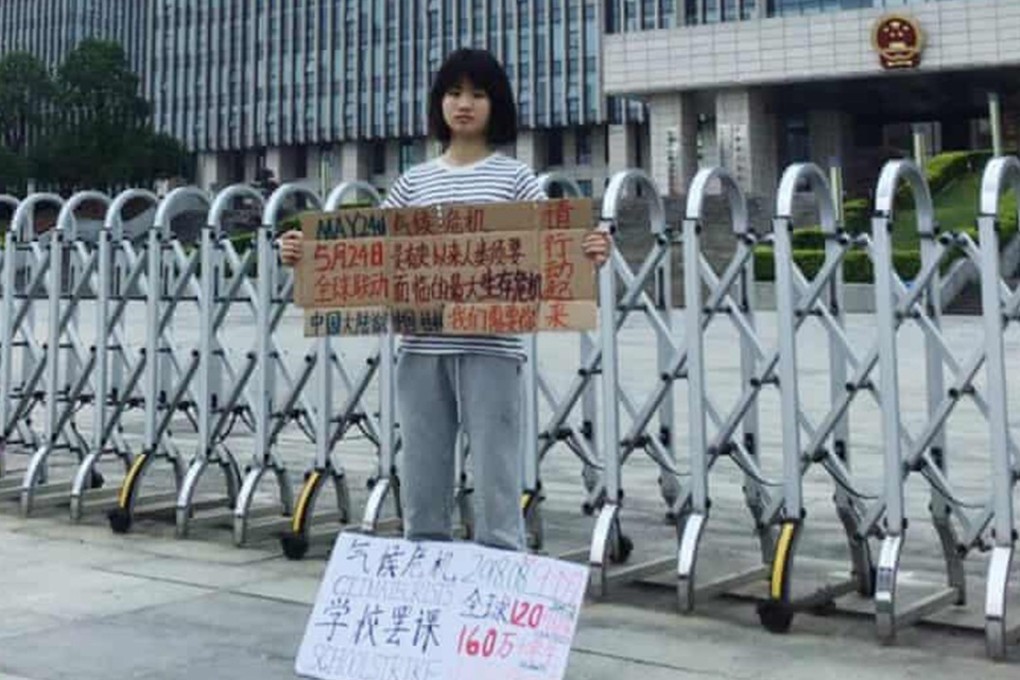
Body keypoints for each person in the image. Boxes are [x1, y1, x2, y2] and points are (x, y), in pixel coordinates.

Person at [280, 48, 610, 551]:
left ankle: (500, 572)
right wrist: (305, 254)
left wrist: (589, 251)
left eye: (478, 94)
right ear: (439, 103)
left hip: (492, 349)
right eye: (454, 93)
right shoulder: (413, 183)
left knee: (497, 475)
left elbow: (552, 252)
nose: (464, 104)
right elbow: (371, 254)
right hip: (421, 349)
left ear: (496, 104)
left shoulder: (515, 178)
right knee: (421, 473)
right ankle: (424, 569)